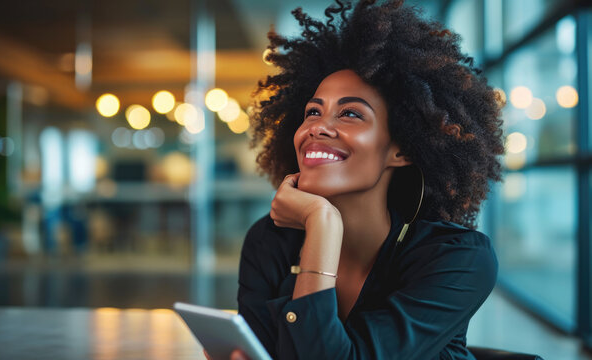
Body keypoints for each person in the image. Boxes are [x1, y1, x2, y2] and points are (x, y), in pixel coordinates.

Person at [209, 0, 505, 359]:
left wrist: (322, 222)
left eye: (350, 113)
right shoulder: (270, 241)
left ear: (403, 150)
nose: (317, 126)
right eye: (313, 112)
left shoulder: (458, 259)